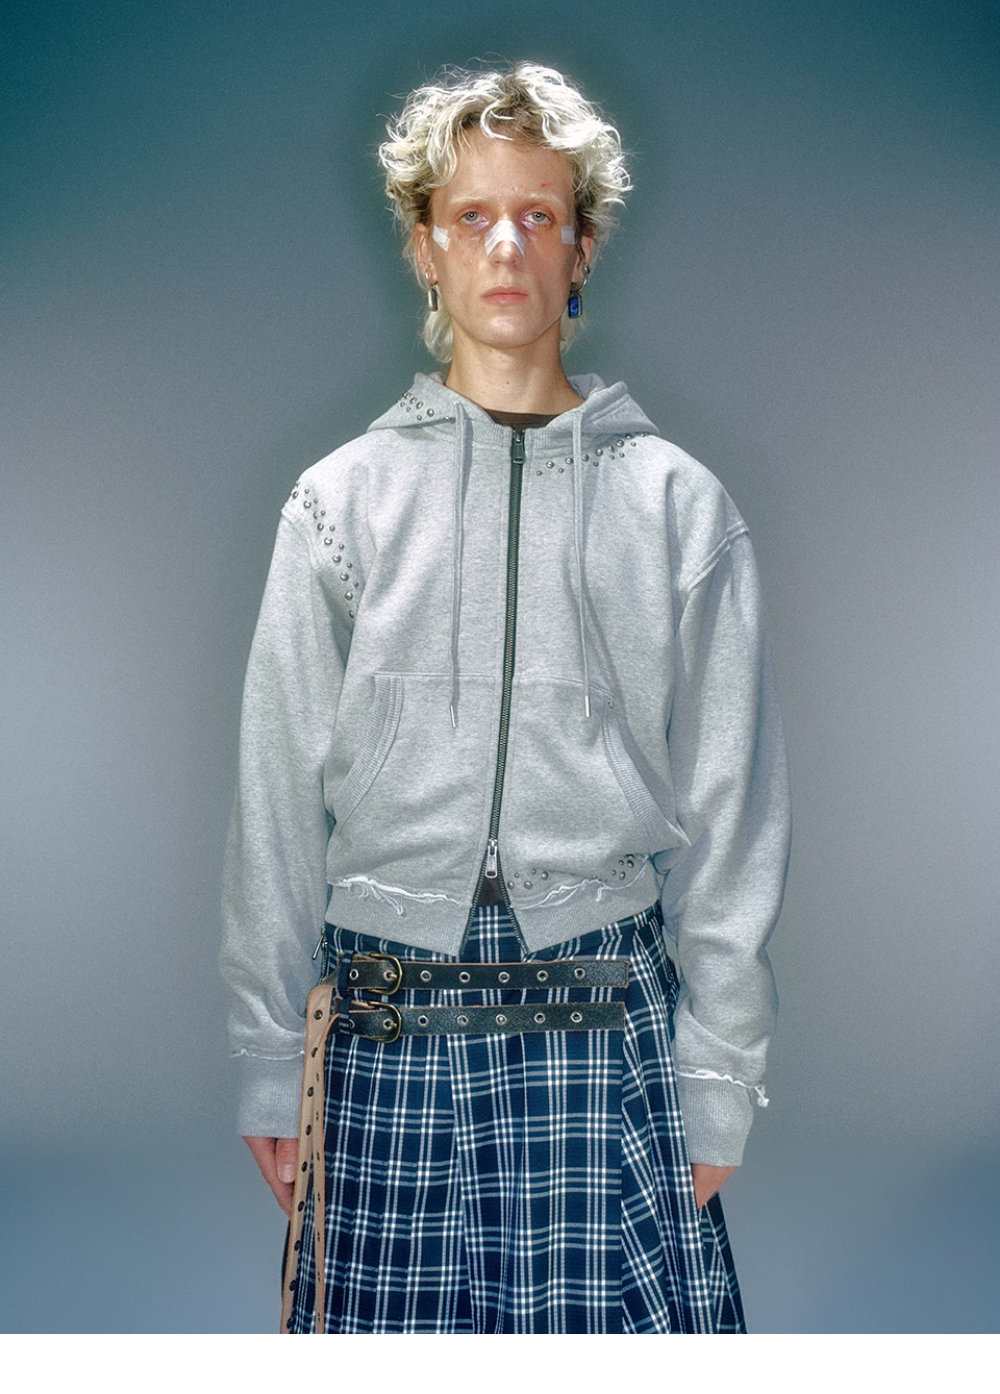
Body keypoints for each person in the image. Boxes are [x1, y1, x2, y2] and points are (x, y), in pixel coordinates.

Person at [221, 62, 791, 1335]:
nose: (504, 245)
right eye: (470, 215)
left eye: (538, 215)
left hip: (605, 1026)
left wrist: (719, 1071)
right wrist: (266, 1056)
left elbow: (735, 811)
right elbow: (273, 794)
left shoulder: (678, 507)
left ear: (580, 248)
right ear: (424, 245)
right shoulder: (339, 502)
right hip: (386, 1025)